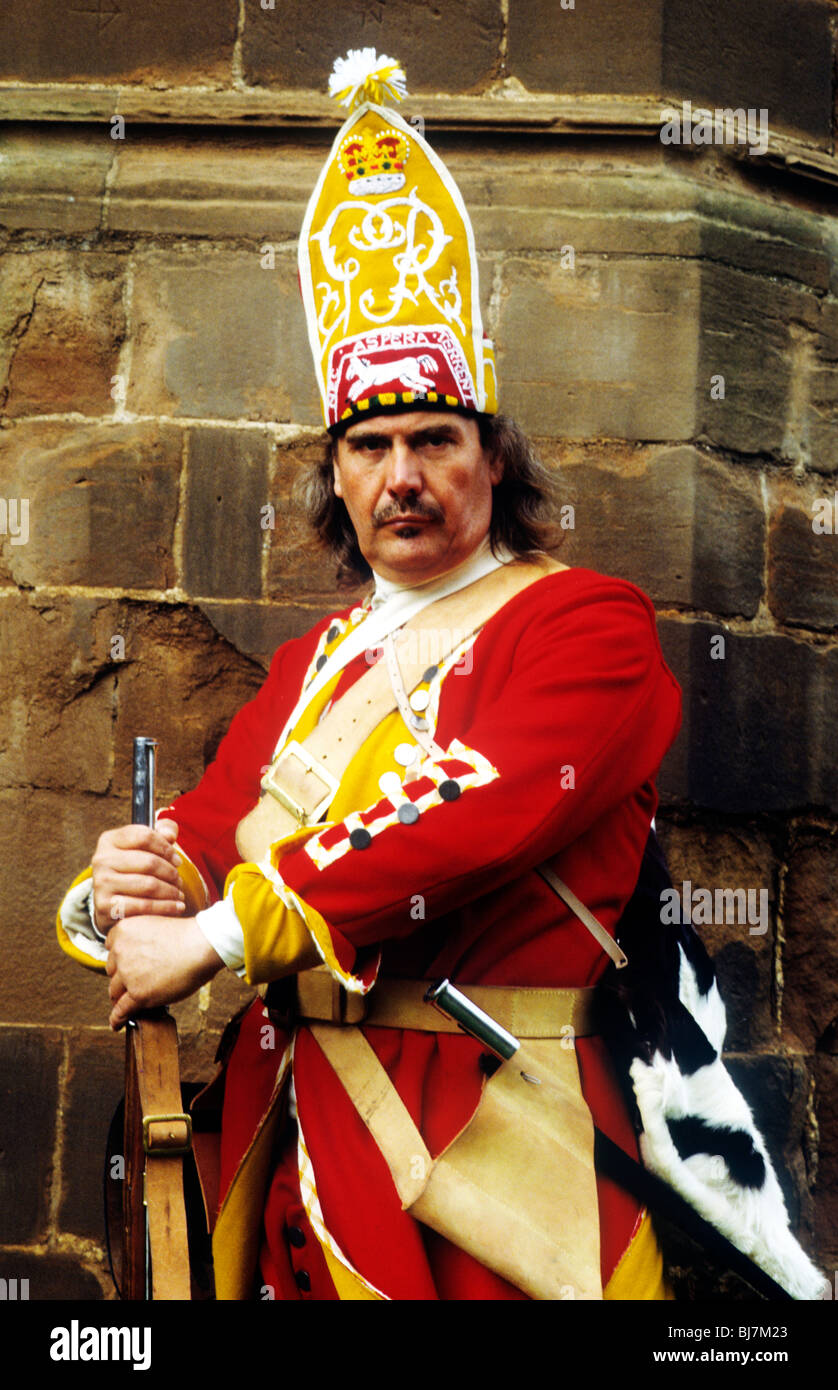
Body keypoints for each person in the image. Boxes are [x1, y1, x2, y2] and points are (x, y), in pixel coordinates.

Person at [56, 49, 825, 1302]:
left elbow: (473, 808)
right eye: (370, 446)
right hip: (292, 1138)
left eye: (434, 440)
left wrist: (211, 931)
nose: (402, 474)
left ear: (492, 460)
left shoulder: (589, 625)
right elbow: (214, 831)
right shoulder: (315, 660)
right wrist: (131, 889)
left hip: (493, 1149)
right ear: (337, 475)